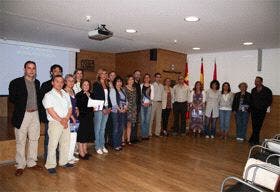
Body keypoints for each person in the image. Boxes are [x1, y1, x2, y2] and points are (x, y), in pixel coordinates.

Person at [9, 61, 42, 176]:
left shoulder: (37, 83)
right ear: (24, 69)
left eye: (33, 68)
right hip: (22, 115)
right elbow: (12, 99)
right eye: (29, 68)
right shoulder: (15, 82)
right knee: (21, 140)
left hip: (35, 114)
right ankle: (20, 164)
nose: (31, 70)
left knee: (34, 138)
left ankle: (31, 162)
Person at [42, 75, 73, 174]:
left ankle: (63, 162)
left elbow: (70, 108)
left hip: (66, 122)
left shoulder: (65, 93)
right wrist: (61, 120)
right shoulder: (48, 95)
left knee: (65, 143)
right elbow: (50, 110)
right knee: (53, 145)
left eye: (61, 82)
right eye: (57, 81)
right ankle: (50, 165)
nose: (59, 84)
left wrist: (66, 119)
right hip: (55, 122)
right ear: (52, 83)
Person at [40, 64, 63, 160]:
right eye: (55, 71)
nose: (57, 72)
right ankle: (48, 159)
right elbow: (42, 102)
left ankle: (58, 157)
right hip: (50, 117)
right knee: (49, 139)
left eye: (59, 71)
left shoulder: (63, 85)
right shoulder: (45, 85)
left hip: (62, 118)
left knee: (60, 139)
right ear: (51, 72)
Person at [92, 68, 111, 154]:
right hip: (99, 107)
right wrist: (103, 108)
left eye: (105, 73)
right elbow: (97, 97)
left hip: (106, 107)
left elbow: (108, 97)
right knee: (98, 128)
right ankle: (97, 146)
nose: (104, 75)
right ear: (99, 74)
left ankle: (102, 145)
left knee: (103, 128)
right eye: (102, 73)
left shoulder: (106, 84)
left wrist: (109, 107)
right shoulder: (96, 84)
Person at [249, 76, 272, 145]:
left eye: (257, 81)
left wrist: (263, 107)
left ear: (261, 82)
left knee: (258, 125)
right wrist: (251, 108)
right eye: (255, 81)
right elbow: (251, 100)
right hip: (254, 111)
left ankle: (255, 141)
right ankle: (253, 139)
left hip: (262, 111)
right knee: (254, 125)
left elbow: (269, 100)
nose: (256, 82)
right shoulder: (253, 90)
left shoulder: (267, 90)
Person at [76, 79, 94, 159]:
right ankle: (81, 152)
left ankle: (85, 150)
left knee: (86, 134)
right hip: (82, 117)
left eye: (87, 85)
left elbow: (93, 105)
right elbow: (79, 107)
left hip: (89, 117)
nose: (86, 86)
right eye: (84, 85)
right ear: (81, 86)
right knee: (82, 135)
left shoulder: (91, 94)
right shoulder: (78, 95)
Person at [64, 74, 79, 164]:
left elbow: (74, 104)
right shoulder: (64, 92)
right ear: (65, 82)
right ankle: (67, 158)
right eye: (69, 80)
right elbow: (65, 107)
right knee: (68, 138)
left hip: (74, 117)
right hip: (69, 118)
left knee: (73, 137)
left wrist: (77, 108)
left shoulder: (72, 91)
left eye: (73, 81)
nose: (71, 82)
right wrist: (71, 117)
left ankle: (71, 155)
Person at [110, 76, 128, 150]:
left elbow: (126, 101)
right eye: (117, 81)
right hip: (116, 112)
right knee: (116, 128)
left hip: (122, 111)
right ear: (115, 83)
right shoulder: (113, 90)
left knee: (121, 128)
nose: (119, 83)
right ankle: (115, 144)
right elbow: (113, 102)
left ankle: (119, 143)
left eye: (120, 81)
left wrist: (125, 108)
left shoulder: (122, 90)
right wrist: (119, 109)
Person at [124, 75, 137, 144]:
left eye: (132, 79)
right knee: (124, 125)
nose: (131, 81)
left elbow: (135, 100)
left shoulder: (134, 89)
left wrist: (135, 110)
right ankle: (122, 139)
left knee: (129, 124)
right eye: (130, 79)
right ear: (127, 80)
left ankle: (128, 140)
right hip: (126, 108)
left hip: (133, 109)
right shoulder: (124, 88)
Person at [149, 73, 164, 137]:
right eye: (157, 77)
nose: (158, 78)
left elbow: (163, 95)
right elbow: (149, 95)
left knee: (159, 119)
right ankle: (149, 133)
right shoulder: (151, 85)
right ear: (155, 78)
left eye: (159, 77)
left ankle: (157, 133)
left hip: (160, 103)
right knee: (151, 118)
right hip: (153, 103)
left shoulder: (162, 86)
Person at [140, 73, 154, 140]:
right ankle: (143, 135)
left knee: (147, 120)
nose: (146, 78)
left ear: (150, 79)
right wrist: (142, 103)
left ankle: (146, 135)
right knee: (142, 120)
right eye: (145, 77)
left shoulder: (152, 86)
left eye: (148, 77)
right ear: (144, 78)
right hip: (142, 105)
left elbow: (152, 96)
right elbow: (139, 96)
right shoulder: (141, 86)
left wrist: (149, 102)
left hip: (149, 105)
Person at [105, 71, 116, 147]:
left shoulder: (117, 85)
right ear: (108, 76)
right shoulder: (106, 84)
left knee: (112, 125)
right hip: (108, 107)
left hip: (114, 108)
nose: (113, 77)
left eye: (114, 75)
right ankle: (105, 141)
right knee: (106, 125)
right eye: (111, 75)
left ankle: (111, 141)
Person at [131, 70, 141, 143]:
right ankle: (131, 138)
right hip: (133, 107)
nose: (138, 76)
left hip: (138, 106)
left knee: (136, 122)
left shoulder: (138, 84)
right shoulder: (133, 84)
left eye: (139, 74)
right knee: (132, 123)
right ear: (134, 75)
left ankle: (134, 137)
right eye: (136, 74)